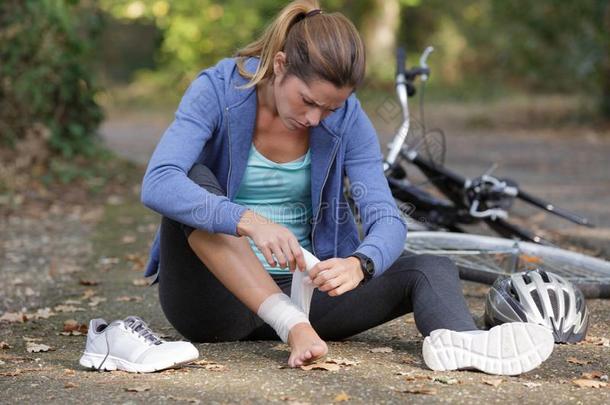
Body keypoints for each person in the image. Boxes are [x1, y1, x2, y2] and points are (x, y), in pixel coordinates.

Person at [140, 0, 554, 374]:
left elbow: (386, 217)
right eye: (307, 101)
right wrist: (249, 221)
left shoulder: (348, 119)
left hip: (308, 293)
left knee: (431, 268)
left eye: (331, 107)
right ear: (280, 65)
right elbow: (159, 182)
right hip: (214, 304)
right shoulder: (217, 90)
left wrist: (360, 264)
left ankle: (463, 344)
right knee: (192, 184)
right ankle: (291, 326)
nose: (317, 119)